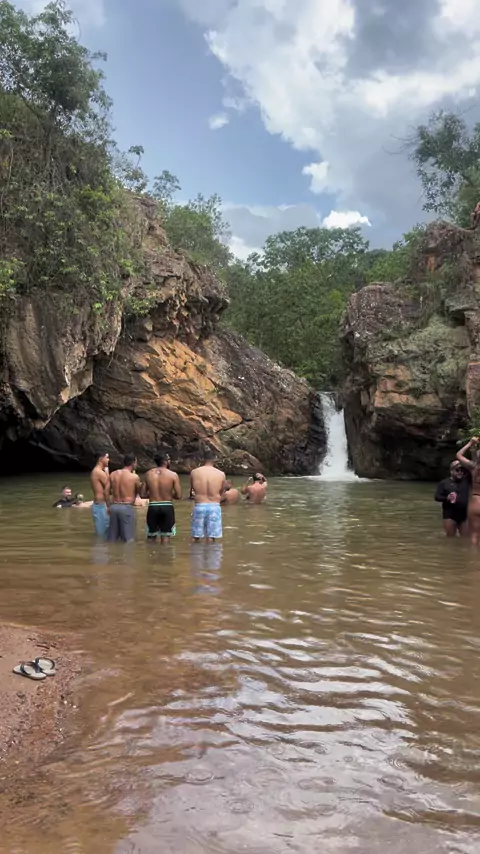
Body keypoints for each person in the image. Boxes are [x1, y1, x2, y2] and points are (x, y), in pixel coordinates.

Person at [144, 452, 182, 543]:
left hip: (153, 506)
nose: (170, 461)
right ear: (165, 461)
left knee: (151, 536)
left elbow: (142, 494)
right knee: (165, 536)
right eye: (169, 459)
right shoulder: (173, 475)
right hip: (167, 506)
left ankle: (150, 552)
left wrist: (153, 493)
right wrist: (169, 494)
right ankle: (164, 552)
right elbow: (179, 496)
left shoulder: (148, 474)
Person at [190, 451, 225, 543]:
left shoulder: (194, 472)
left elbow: (193, 489)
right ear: (215, 459)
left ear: (203, 459)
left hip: (199, 505)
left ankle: (195, 551)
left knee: (195, 536)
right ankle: (211, 552)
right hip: (214, 506)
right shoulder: (221, 474)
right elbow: (221, 491)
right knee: (211, 537)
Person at [108, 454, 141, 543]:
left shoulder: (113, 474)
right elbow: (140, 492)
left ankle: (111, 551)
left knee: (112, 539)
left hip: (114, 506)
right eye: (136, 462)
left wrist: (108, 506)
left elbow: (106, 491)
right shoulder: (134, 477)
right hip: (126, 507)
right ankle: (127, 552)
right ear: (133, 463)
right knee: (128, 539)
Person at [434, 461, 470, 537]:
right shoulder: (444, 483)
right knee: (450, 539)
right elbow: (437, 497)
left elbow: (473, 468)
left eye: (462, 470)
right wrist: (447, 498)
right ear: (451, 471)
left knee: (466, 539)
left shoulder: (466, 481)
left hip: (464, 516)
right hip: (450, 515)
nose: (460, 472)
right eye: (457, 470)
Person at [457, 437, 480, 544]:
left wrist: (471, 443)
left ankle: (472, 554)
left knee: (474, 535)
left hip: (476, 501)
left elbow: (459, 455)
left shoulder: (473, 467)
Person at [90, 451, 110, 537]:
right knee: (103, 534)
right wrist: (107, 473)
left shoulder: (96, 471)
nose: (108, 460)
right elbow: (109, 486)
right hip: (101, 505)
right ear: (101, 459)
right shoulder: (99, 472)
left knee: (103, 533)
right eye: (107, 457)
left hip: (99, 505)